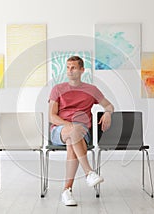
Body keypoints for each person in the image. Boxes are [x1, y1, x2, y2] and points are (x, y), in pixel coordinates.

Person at [49, 56, 114, 206]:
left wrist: (108, 113)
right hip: (60, 130)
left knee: (73, 139)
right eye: (68, 67)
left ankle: (67, 191)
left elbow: (109, 106)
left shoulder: (91, 90)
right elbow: (52, 116)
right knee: (73, 132)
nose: (70, 71)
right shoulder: (57, 89)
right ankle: (88, 172)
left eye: (73, 67)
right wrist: (69, 125)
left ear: (82, 70)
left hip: (82, 131)